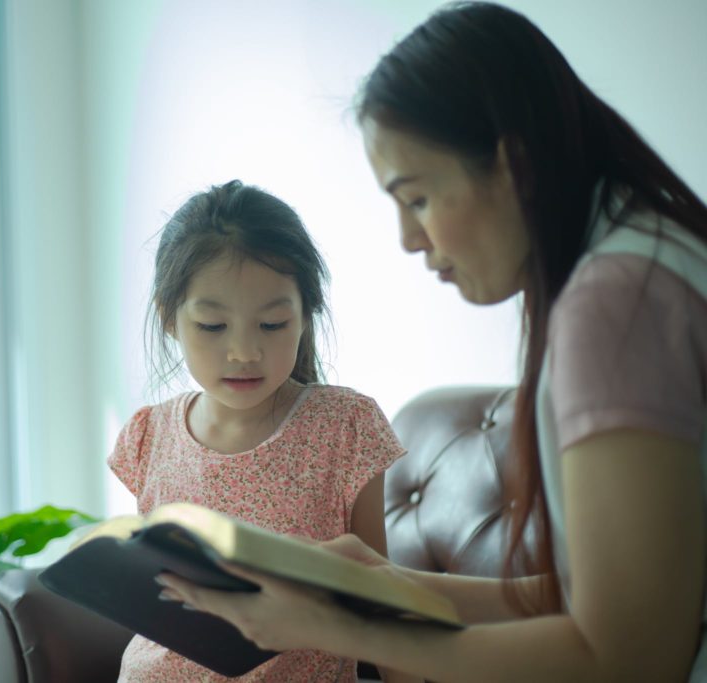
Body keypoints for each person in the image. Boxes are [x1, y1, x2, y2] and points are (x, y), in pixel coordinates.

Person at [157, 3, 707, 682]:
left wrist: (343, 626)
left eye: (415, 198)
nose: (408, 239)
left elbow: (632, 656)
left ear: (512, 164)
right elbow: (599, 598)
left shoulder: (615, 302)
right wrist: (387, 583)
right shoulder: (649, 253)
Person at [108, 179, 417, 682]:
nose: (244, 353)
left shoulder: (345, 429)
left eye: (272, 324)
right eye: (212, 326)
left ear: (305, 315)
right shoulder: (148, 436)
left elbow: (380, 601)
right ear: (170, 319)